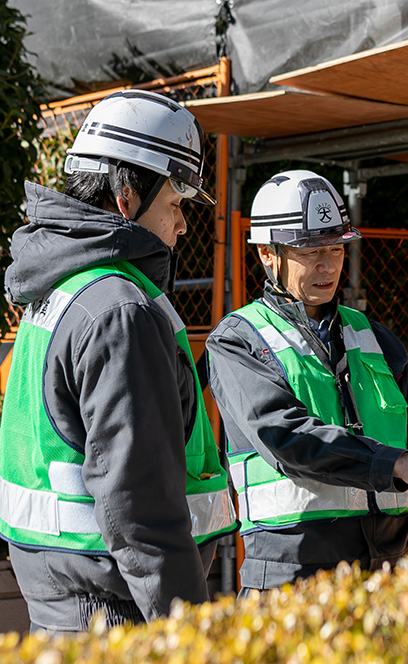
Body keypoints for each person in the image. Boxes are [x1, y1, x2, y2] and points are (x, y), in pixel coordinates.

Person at [206, 169, 408, 595]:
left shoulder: (374, 337)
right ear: (267, 253)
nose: (328, 265)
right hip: (292, 578)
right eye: (310, 251)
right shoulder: (238, 340)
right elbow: (288, 438)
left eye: (336, 248)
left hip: (390, 571)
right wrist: (400, 465)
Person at [0, 90, 238, 632]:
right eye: (176, 204)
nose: (182, 225)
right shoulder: (119, 310)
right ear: (127, 195)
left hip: (62, 603)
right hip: (116, 611)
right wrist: (187, 632)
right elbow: (139, 504)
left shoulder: (62, 286)